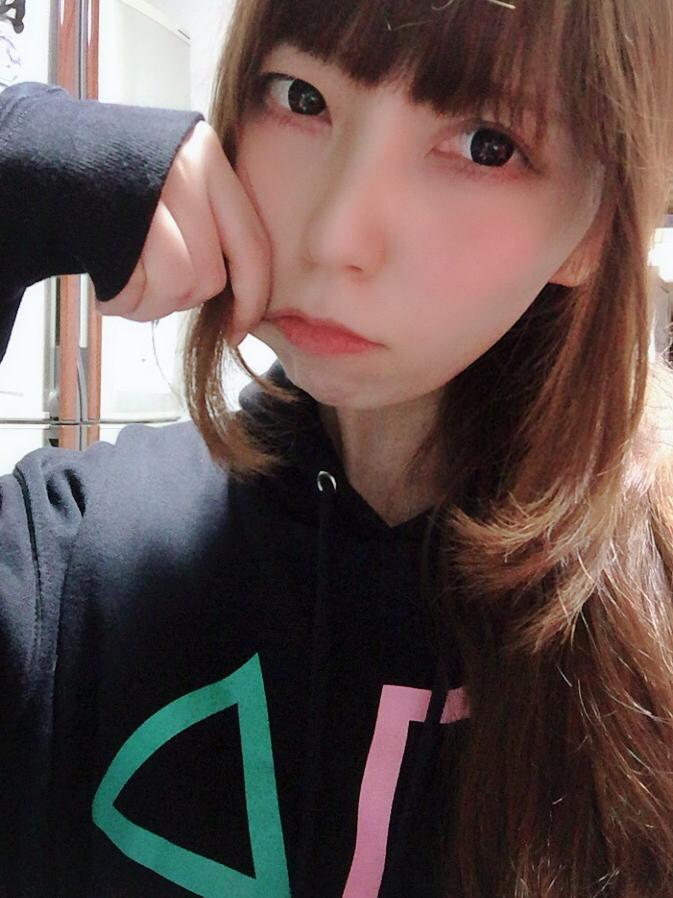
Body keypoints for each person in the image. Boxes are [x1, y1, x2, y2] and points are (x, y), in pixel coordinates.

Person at [1, 0, 673, 896]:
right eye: (301, 98)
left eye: (485, 145)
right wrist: (16, 162)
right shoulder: (74, 555)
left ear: (593, 228)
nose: (334, 237)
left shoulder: (651, 622)